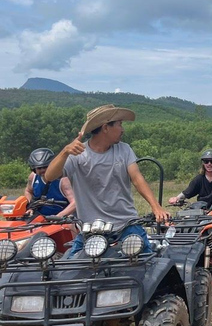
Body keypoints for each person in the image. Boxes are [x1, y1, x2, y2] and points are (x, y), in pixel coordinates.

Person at [45, 104, 170, 256]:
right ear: (105, 127)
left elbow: (137, 179)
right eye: (119, 124)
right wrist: (65, 152)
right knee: (70, 268)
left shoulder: (124, 150)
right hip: (90, 230)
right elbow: (49, 176)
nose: (123, 130)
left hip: (126, 225)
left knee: (146, 264)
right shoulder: (78, 154)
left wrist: (155, 206)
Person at [24, 147, 76, 217]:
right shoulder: (33, 177)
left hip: (62, 220)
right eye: (39, 168)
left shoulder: (63, 180)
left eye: (45, 167)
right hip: (38, 218)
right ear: (34, 169)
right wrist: (31, 206)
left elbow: (75, 203)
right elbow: (28, 191)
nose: (42, 170)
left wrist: (59, 216)